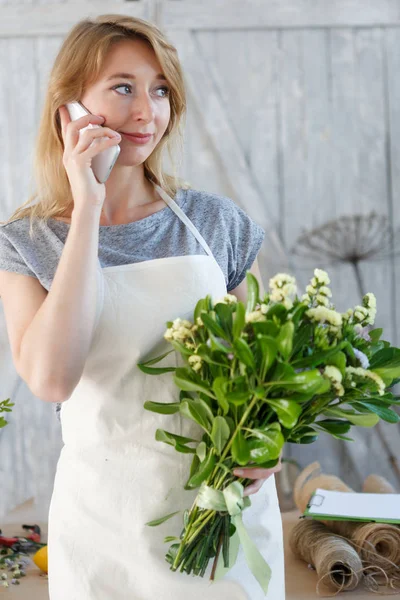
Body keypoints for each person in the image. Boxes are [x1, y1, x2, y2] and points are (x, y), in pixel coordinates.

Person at [0, 14, 285, 599]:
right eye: (123, 87)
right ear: (69, 109)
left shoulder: (218, 223)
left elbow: (270, 370)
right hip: (103, 527)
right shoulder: (26, 243)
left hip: (220, 523)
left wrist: (270, 440)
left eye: (160, 90)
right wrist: (87, 207)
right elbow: (52, 378)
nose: (146, 112)